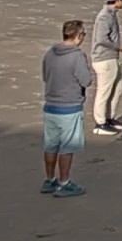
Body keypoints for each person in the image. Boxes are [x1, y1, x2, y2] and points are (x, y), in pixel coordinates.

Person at [42, 19, 94, 197]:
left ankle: (50, 179)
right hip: (69, 106)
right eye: (83, 34)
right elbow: (86, 80)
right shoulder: (77, 56)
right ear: (78, 36)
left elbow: (45, 76)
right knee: (67, 146)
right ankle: (64, 182)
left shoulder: (50, 53)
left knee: (51, 145)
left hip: (50, 105)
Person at [91, 0, 122, 135]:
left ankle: (109, 118)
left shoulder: (111, 14)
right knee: (104, 91)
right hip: (104, 58)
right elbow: (101, 39)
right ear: (118, 0)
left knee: (117, 89)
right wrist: (118, 47)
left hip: (111, 57)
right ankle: (100, 124)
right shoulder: (105, 16)